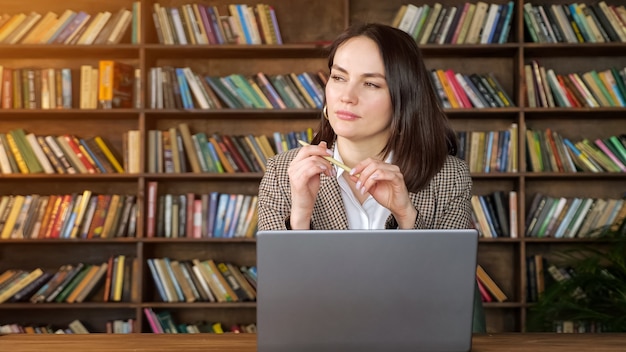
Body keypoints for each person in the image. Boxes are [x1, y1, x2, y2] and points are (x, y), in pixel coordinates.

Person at [257, 23, 472, 231]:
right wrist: (300, 217)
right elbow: (278, 268)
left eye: (371, 84)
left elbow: (446, 269)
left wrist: (406, 215)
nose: (347, 97)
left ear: (404, 98)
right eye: (339, 77)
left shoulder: (449, 178)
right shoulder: (281, 173)